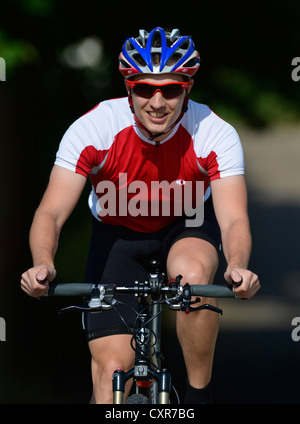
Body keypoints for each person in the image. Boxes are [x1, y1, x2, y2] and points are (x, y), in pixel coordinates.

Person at [21, 27, 260, 404]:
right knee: (112, 374)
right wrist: (43, 264)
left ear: (189, 89)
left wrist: (238, 266)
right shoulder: (95, 129)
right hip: (116, 237)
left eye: (172, 89)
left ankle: (200, 395)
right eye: (145, 88)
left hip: (187, 227)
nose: (158, 101)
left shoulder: (214, 132)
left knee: (193, 278)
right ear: (128, 89)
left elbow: (233, 219)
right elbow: (50, 212)